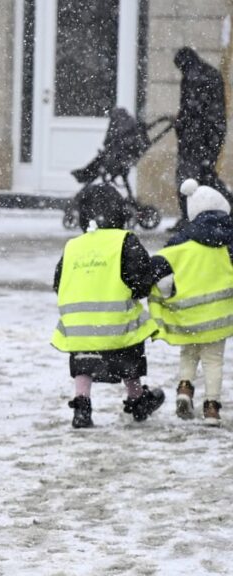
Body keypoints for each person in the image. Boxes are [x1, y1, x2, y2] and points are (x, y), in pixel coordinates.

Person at [52, 183, 166, 428]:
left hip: (78, 329)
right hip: (117, 327)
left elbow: (58, 282)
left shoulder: (73, 245)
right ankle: (137, 399)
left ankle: (81, 405)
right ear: (120, 212)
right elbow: (141, 284)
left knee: (83, 356)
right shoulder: (125, 240)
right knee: (131, 345)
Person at [149, 179, 233, 425]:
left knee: (188, 354)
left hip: (186, 313)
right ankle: (212, 408)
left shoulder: (181, 241)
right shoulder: (228, 242)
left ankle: (184, 389)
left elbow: (160, 268)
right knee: (213, 360)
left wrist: (166, 289)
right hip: (218, 316)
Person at [172, 47, 229, 230]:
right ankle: (219, 211)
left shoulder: (194, 76)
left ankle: (188, 217)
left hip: (196, 138)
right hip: (210, 135)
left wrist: (181, 125)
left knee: (188, 178)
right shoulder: (209, 73)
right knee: (206, 175)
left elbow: (191, 109)